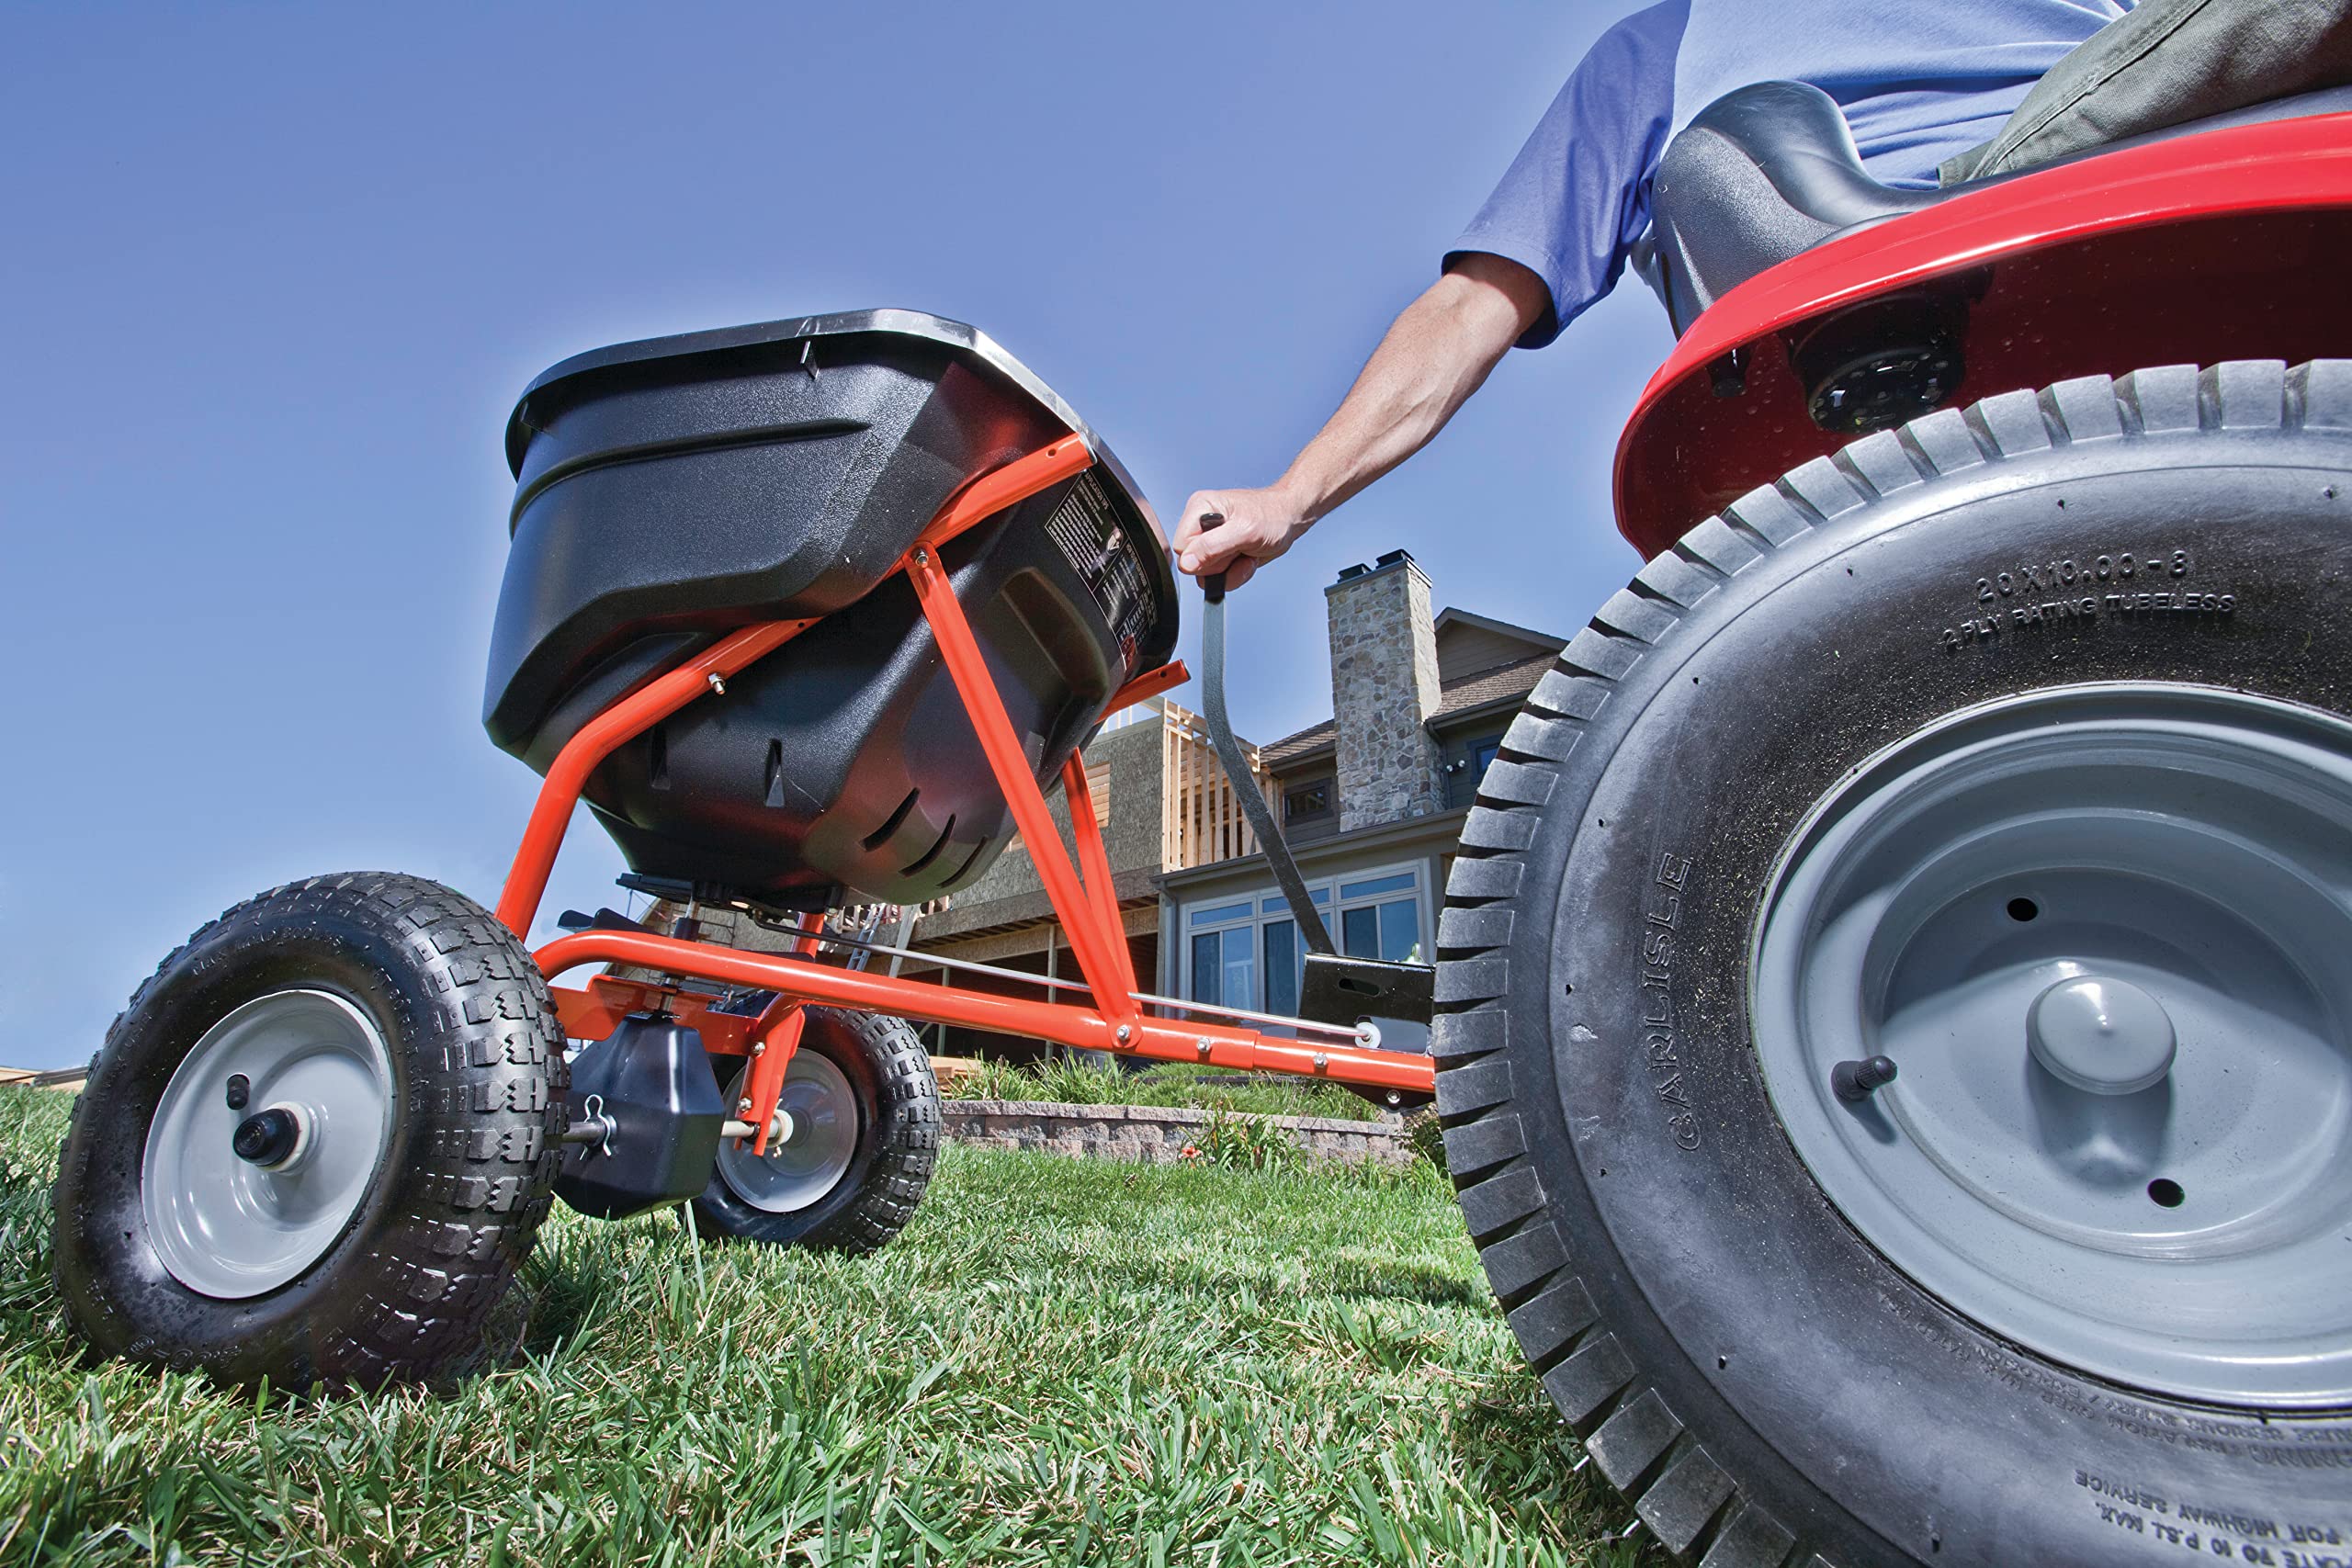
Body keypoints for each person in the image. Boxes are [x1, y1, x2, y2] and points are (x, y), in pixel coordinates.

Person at [1169, 0, 2148, 591]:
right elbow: (1473, 304)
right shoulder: (1664, 49)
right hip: (1896, 255)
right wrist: (1290, 497)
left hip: (2175, 158)